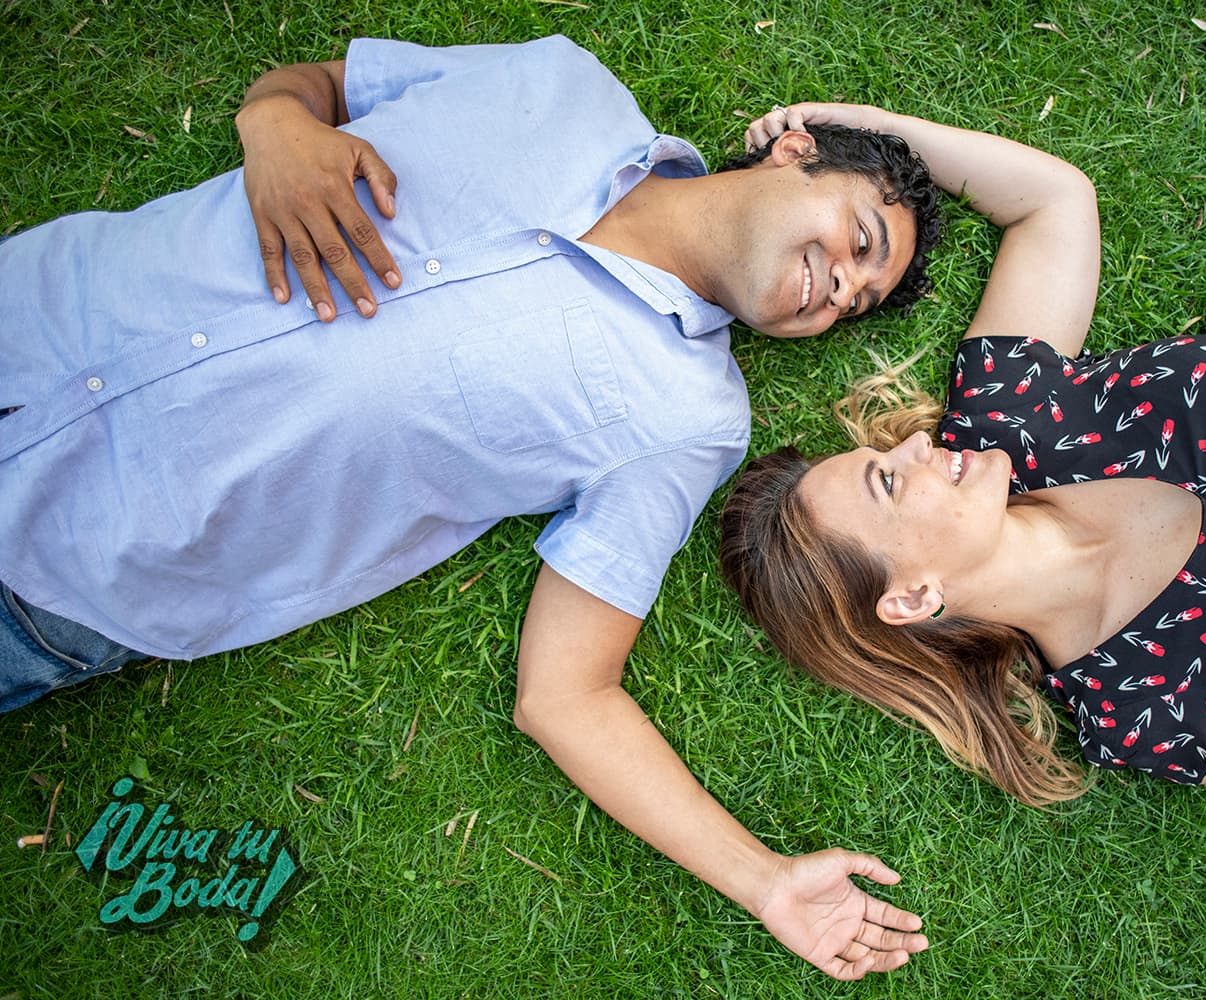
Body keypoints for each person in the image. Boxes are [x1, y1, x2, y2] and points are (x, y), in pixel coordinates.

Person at [0, 36, 943, 978]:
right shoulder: (563, 82)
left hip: (70, 568)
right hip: (40, 308)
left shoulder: (689, 420)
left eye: (857, 302)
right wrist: (274, 122)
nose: (842, 286)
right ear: (794, 152)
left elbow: (566, 694)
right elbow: (322, 85)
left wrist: (765, 881)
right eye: (862, 242)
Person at [720, 86, 1206, 805]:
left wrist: (862, 132)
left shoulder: (1005, 419)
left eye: (886, 459)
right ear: (915, 598)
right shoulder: (1136, 702)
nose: (916, 447)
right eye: (890, 482)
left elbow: (1053, 202)